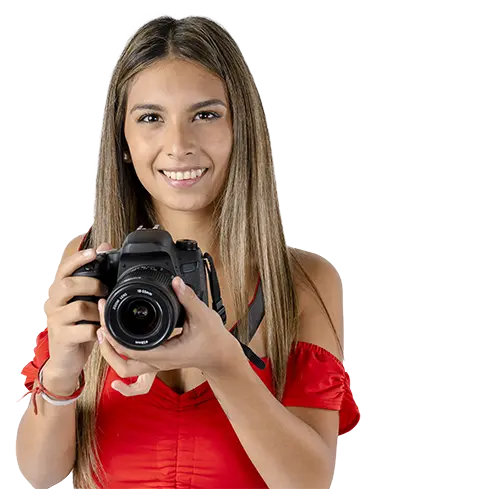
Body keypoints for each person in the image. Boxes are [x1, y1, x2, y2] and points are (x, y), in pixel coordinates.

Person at [16, 13, 360, 489]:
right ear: (123, 139)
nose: (178, 145)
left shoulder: (300, 283)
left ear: (242, 128)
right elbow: (40, 472)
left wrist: (224, 362)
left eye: (205, 115)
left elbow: (307, 481)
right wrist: (60, 374)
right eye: (151, 118)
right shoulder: (90, 260)